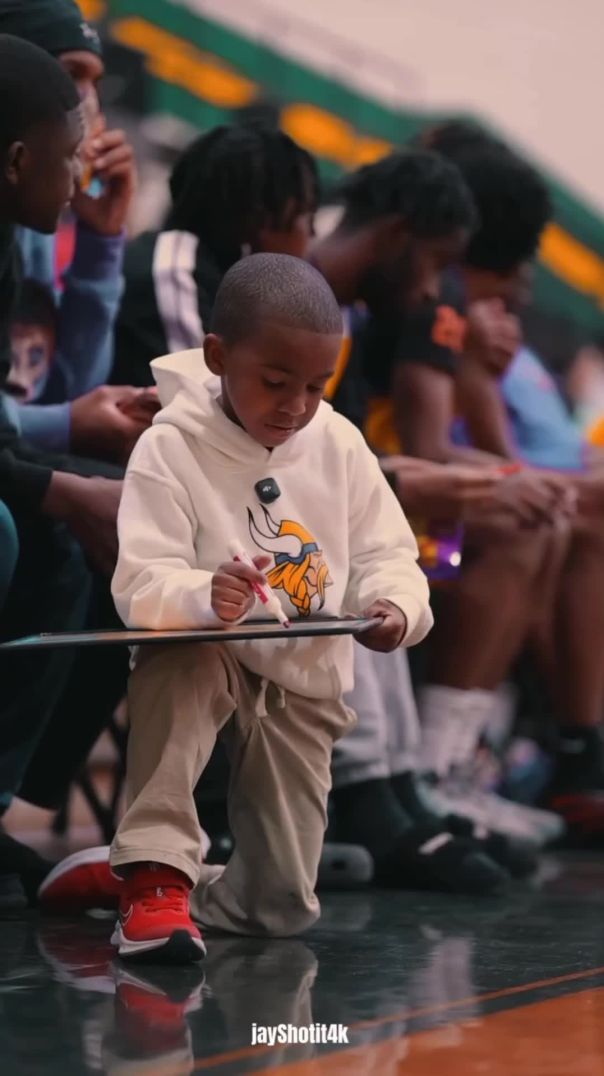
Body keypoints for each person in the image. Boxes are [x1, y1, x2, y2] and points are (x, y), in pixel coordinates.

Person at [108, 253, 432, 961]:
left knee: (279, 909)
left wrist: (395, 606)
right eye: (276, 382)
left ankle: (145, 882)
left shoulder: (339, 442)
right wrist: (203, 594)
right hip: (207, 647)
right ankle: (153, 876)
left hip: (303, 675)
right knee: (182, 659)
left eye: (317, 386)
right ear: (219, 356)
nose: (296, 406)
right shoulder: (168, 447)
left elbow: (388, 553)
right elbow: (140, 583)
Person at [0, 33, 122, 908]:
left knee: (55, 536)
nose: (81, 174)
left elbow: (55, 405)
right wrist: (66, 489)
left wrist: (67, 490)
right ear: (17, 159)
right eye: (69, 155)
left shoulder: (11, 246)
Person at [112, 123, 318, 386]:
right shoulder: (176, 274)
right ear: (263, 218)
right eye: (306, 215)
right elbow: (212, 414)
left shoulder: (224, 285)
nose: (312, 233)